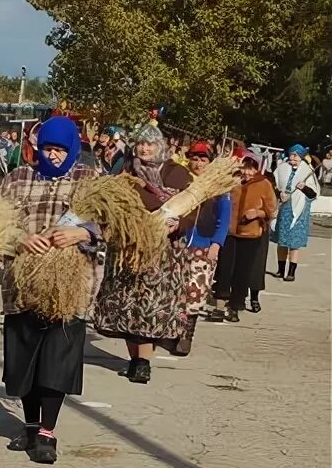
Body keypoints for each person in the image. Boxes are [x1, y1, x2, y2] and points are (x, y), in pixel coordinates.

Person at [1, 117, 104, 463]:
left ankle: (47, 432)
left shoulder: (90, 181)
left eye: (60, 149)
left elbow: (112, 225)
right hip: (23, 284)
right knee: (26, 361)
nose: (54, 155)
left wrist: (82, 234)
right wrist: (19, 240)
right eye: (48, 148)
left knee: (56, 362)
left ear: (72, 149)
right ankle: (30, 427)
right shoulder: (17, 179)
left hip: (70, 288)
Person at [94, 124, 191, 384]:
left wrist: (177, 223)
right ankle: (135, 358)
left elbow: (193, 206)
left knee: (151, 304)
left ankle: (143, 361)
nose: (144, 148)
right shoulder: (126, 170)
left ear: (160, 146)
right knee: (128, 303)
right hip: (128, 247)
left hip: (163, 251)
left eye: (150, 144)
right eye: (140, 144)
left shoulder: (177, 173)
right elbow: (109, 202)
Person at [212, 153, 277, 321]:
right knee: (224, 269)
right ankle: (219, 306)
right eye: (245, 168)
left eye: (252, 169)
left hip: (250, 235)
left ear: (257, 168)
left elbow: (272, 210)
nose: (248, 172)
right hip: (229, 233)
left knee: (243, 271)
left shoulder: (264, 184)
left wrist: (257, 213)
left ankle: (235, 306)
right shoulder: (232, 180)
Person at [180, 141, 231, 350]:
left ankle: (186, 335)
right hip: (180, 243)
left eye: (203, 159)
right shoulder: (182, 181)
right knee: (177, 289)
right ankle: (173, 329)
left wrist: (216, 244)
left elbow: (224, 218)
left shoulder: (219, 187)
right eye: (195, 158)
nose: (198, 163)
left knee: (195, 290)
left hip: (204, 243)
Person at [272, 144, 320, 282]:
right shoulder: (282, 168)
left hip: (299, 210)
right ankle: (280, 270)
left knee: (294, 242)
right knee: (282, 240)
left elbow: (313, 194)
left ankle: (291, 271)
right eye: (291, 155)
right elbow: (274, 185)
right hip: (284, 208)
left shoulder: (307, 171)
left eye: (296, 156)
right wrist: (280, 193)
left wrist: (304, 188)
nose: (292, 159)